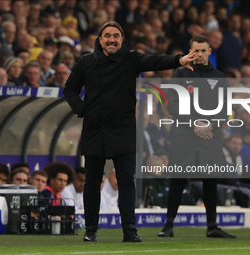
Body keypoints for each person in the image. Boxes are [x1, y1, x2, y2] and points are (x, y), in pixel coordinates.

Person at [63, 21, 196, 243]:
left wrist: (178, 60)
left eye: (116, 35)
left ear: (122, 39)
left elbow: (155, 60)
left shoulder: (131, 59)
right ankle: (91, 230)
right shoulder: (86, 62)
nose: (112, 39)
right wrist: (83, 109)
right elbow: (69, 90)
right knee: (92, 182)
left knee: (126, 182)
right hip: (94, 129)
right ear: (100, 39)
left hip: (123, 129)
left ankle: (129, 231)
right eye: (107, 36)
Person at [158, 36, 236, 238]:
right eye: (196, 51)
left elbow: (226, 108)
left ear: (209, 51)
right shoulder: (180, 74)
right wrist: (195, 123)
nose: (199, 54)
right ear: (190, 52)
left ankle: (212, 227)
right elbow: (172, 105)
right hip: (185, 135)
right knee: (178, 179)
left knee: (210, 181)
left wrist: (210, 124)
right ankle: (168, 227)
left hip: (210, 136)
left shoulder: (219, 77)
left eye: (203, 50)